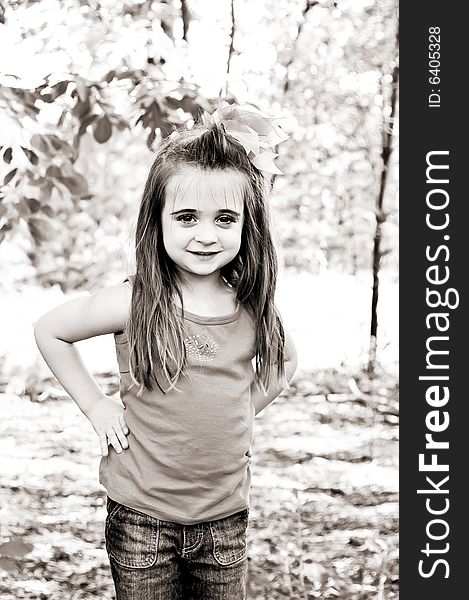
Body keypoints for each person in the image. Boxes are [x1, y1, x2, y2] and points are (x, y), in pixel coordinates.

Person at [34, 102, 298, 600]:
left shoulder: (249, 303)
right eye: (186, 217)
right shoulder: (137, 299)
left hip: (224, 520)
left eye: (224, 218)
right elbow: (51, 330)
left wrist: (240, 408)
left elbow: (284, 362)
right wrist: (95, 404)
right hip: (142, 519)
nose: (205, 234)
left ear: (247, 224)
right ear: (158, 222)